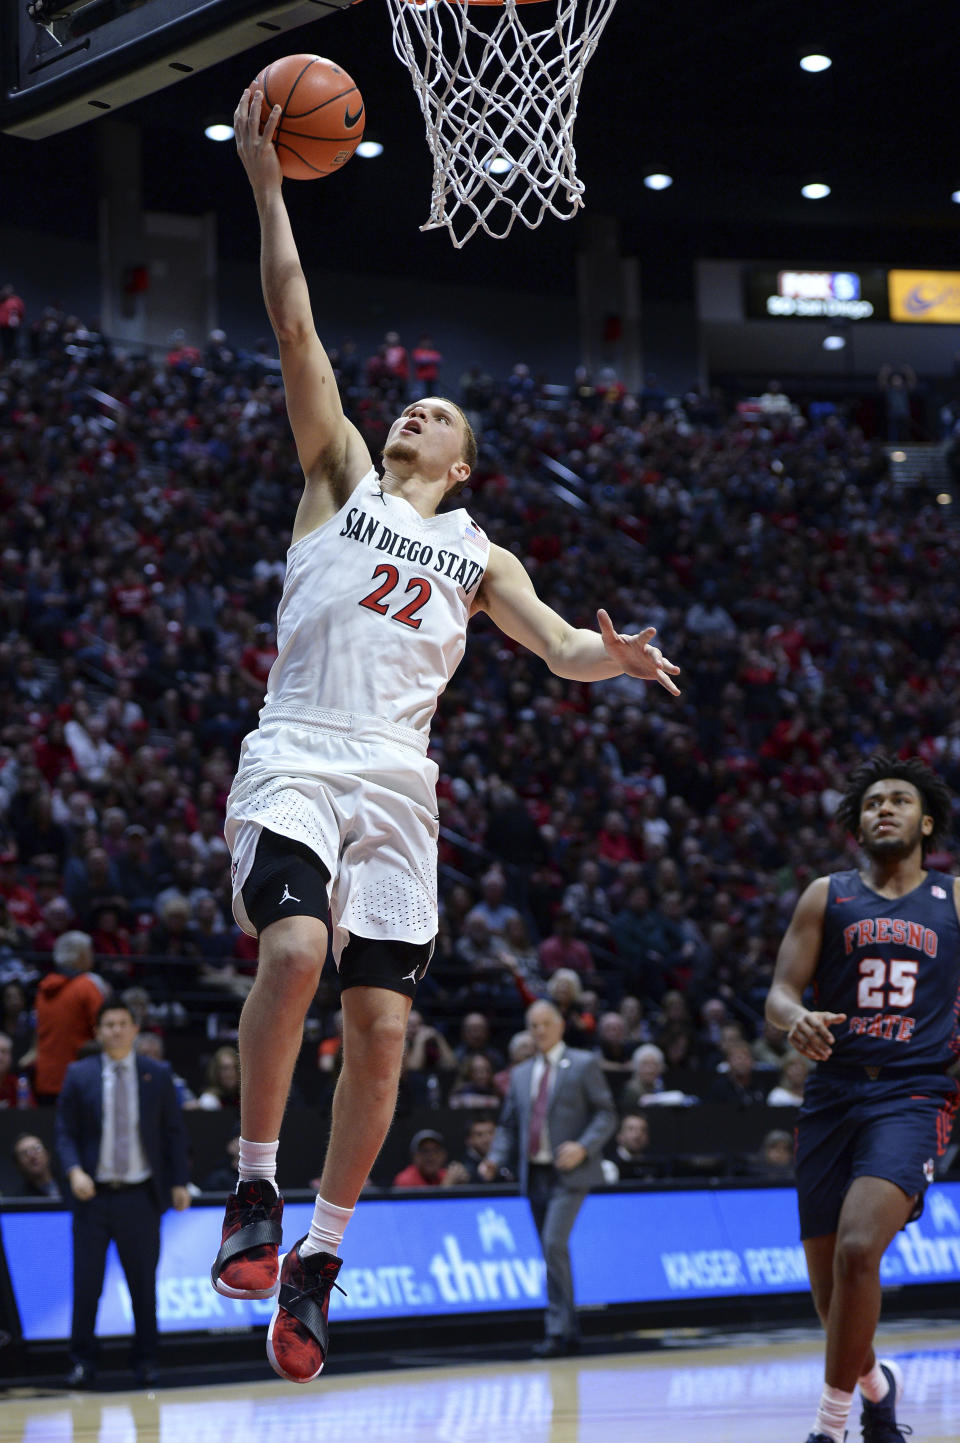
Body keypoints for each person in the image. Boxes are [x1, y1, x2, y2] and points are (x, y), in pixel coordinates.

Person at [210, 83, 681, 1390]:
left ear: (467, 466)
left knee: (383, 1035)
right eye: (412, 405)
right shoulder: (340, 473)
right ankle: (253, 1189)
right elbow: (295, 321)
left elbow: (561, 647)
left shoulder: (481, 553)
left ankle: (317, 1257)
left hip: (399, 784)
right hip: (303, 742)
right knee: (295, 944)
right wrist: (266, 187)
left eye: (442, 418)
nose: (417, 412)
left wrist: (617, 655)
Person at [765, 755, 960, 1443]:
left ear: (925, 820)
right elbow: (780, 993)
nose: (885, 808)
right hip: (830, 1097)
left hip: (913, 1095)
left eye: (900, 800)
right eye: (874, 801)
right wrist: (795, 1019)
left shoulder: (954, 899)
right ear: (857, 821)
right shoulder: (827, 893)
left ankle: (830, 1428)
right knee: (831, 1301)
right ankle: (879, 1389)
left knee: (856, 1251)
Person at [55, 1000, 191, 1388]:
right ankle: (82, 1361)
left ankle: (146, 1360)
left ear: (135, 1030)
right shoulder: (79, 1074)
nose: (115, 1030)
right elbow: (64, 1132)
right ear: (98, 1033)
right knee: (86, 1286)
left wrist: (179, 1181)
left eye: (121, 1024)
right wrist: (74, 1170)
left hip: (140, 1197)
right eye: (107, 1025)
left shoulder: (157, 1074)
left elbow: (174, 1133)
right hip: (92, 1197)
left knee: (142, 1286)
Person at [480, 999, 616, 1356]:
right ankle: (569, 1329)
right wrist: (495, 1158)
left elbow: (606, 1114)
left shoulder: (584, 1064)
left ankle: (558, 1330)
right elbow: (509, 1126)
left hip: (570, 1172)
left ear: (559, 1026)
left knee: (554, 1244)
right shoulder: (522, 1073)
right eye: (533, 1025)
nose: (539, 1030)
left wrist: (584, 1147)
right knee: (551, 1250)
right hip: (534, 1173)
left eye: (545, 1023)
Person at [33, 930, 109, 1102]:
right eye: (90, 951)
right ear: (81, 955)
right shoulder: (87, 985)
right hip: (79, 1078)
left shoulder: (43, 989)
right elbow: (105, 1030)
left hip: (46, 1077)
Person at [391, 1128, 467, 1187]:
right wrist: (446, 1187)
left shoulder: (444, 1175)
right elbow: (423, 1206)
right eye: (425, 1151)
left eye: (436, 1151)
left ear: (443, 1155)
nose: (431, 1157)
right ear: (414, 1156)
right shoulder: (405, 1180)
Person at [8, 1132, 61, 1198]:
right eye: (24, 1153)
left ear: (47, 1153)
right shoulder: (19, 1199)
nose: (32, 1156)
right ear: (18, 1164)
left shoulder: (71, 1183)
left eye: (37, 1148)